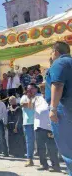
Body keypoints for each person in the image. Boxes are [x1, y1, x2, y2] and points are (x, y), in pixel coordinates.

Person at [45, 41, 72, 175]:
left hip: (65, 111)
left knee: (68, 150)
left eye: (51, 52)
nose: (51, 55)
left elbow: (58, 85)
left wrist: (53, 109)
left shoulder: (59, 63)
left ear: (55, 52)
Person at [33, 92, 61, 172]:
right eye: (41, 88)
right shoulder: (37, 98)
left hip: (50, 127)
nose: (43, 89)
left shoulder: (53, 97)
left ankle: (55, 166)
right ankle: (44, 164)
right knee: (40, 148)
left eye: (44, 87)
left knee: (52, 148)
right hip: (38, 126)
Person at [20, 83, 37, 167]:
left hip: (39, 122)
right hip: (28, 123)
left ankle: (43, 161)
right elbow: (27, 105)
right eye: (28, 89)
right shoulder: (23, 97)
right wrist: (30, 98)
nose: (29, 90)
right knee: (29, 142)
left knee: (41, 142)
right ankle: (29, 159)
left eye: (31, 88)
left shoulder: (39, 97)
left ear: (35, 89)